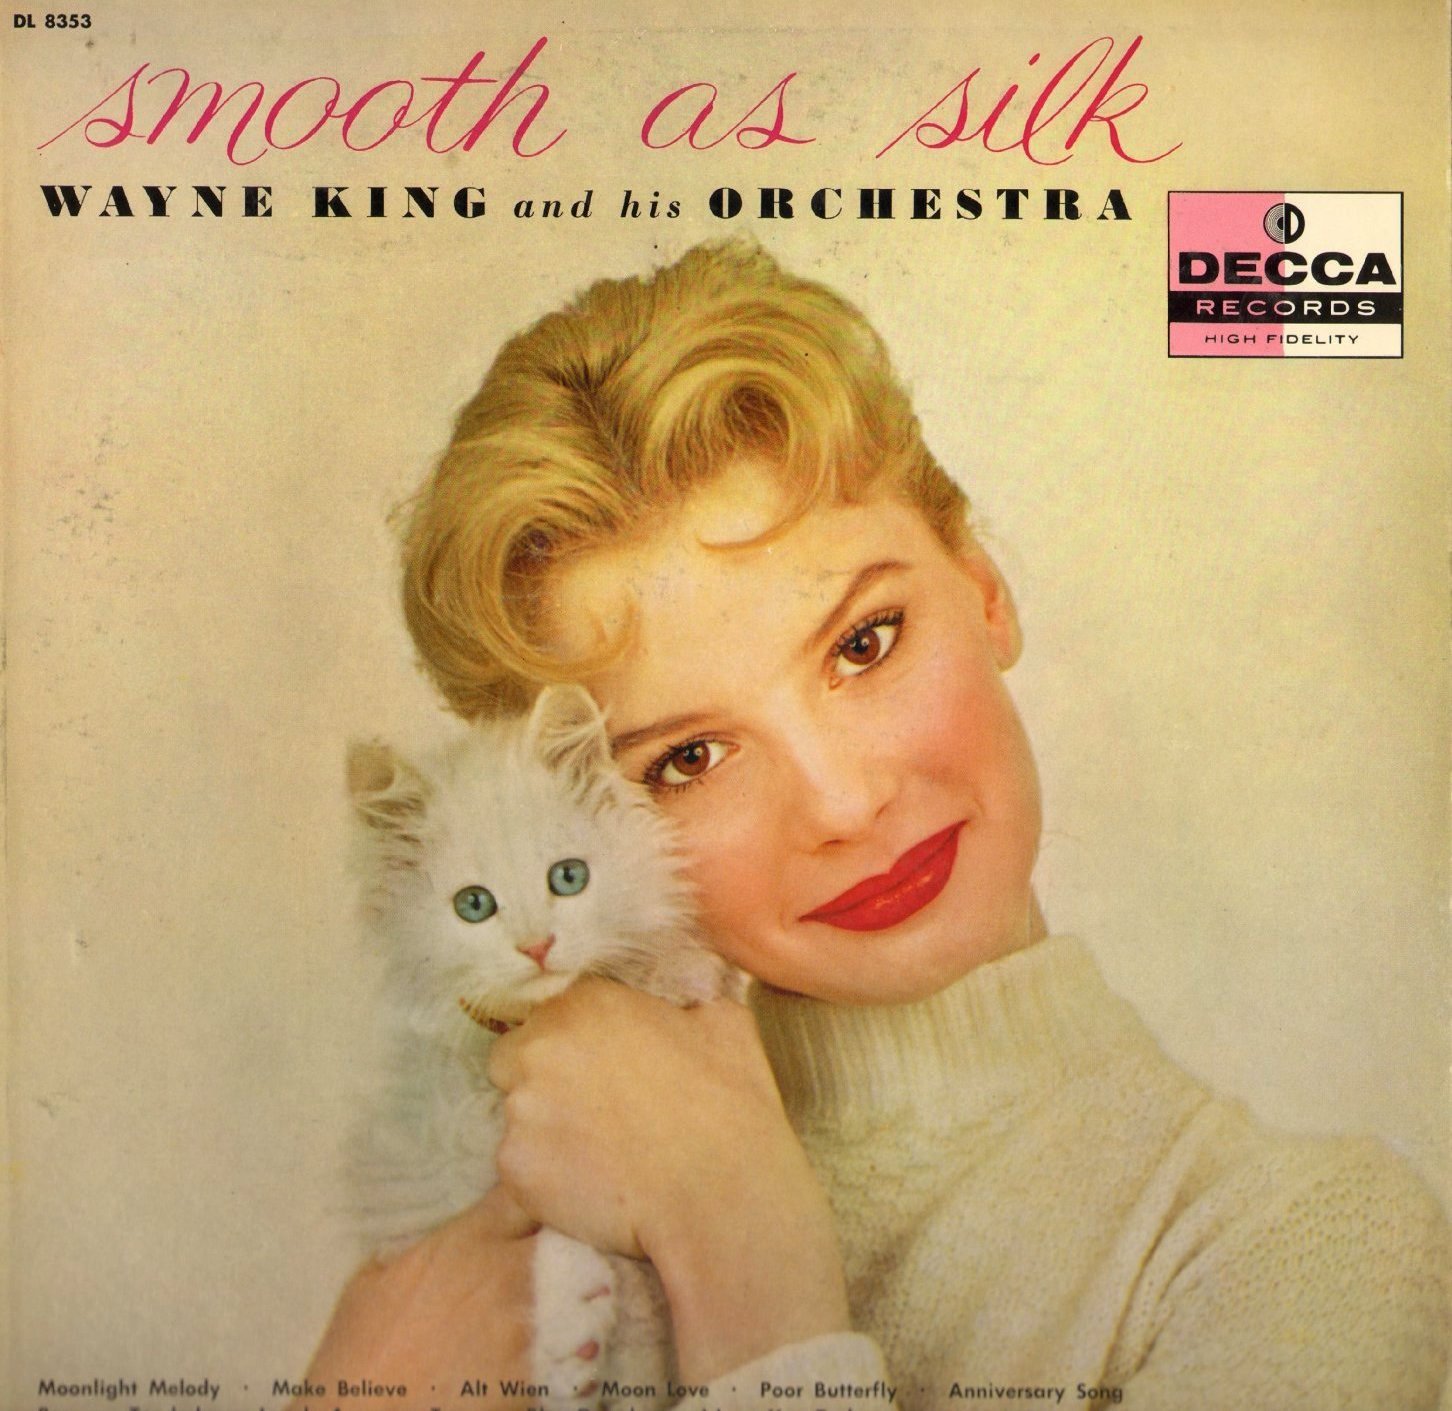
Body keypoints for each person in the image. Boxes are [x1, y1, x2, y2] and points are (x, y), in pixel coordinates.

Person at [298, 241, 1450, 1408]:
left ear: (984, 588)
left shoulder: (1312, 1248)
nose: (845, 805)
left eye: (865, 642)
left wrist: (739, 1247)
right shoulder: (504, 1226)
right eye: (690, 759)